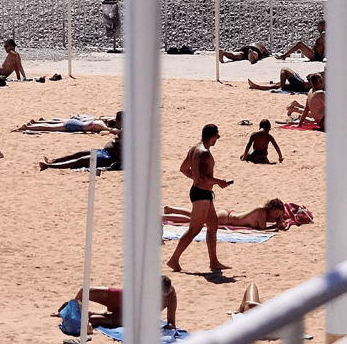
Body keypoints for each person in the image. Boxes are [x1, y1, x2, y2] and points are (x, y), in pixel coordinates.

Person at [168, 124, 232, 273]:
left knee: (213, 225)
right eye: (217, 136)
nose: (218, 139)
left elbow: (184, 169)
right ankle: (174, 259)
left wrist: (195, 179)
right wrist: (219, 182)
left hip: (202, 193)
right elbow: (204, 178)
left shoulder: (194, 149)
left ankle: (214, 261)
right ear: (212, 136)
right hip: (201, 195)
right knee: (194, 230)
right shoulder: (204, 153)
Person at [76, 277, 177, 330]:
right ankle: (70, 309)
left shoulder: (170, 298)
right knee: (86, 291)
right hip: (125, 299)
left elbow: (171, 322)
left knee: (94, 319)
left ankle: (94, 313)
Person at [163, 198, 293, 231]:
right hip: (226, 219)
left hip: (227, 216)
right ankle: (165, 217)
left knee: (196, 216)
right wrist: (277, 226)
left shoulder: (264, 213)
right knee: (195, 220)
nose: (277, 216)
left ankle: (170, 209)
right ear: (271, 209)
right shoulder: (261, 212)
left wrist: (279, 220)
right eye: (276, 213)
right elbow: (263, 228)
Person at [245, 68, 319, 95]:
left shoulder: (324, 76)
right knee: (278, 84)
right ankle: (257, 86)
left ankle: (282, 89)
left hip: (301, 84)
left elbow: (310, 78)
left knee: (284, 69)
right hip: (301, 86)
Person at [18, 114, 113, 134]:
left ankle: (31, 126)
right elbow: (112, 131)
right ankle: (27, 127)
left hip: (76, 123)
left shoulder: (99, 122)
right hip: (74, 126)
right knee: (49, 128)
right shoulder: (101, 125)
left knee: (51, 126)